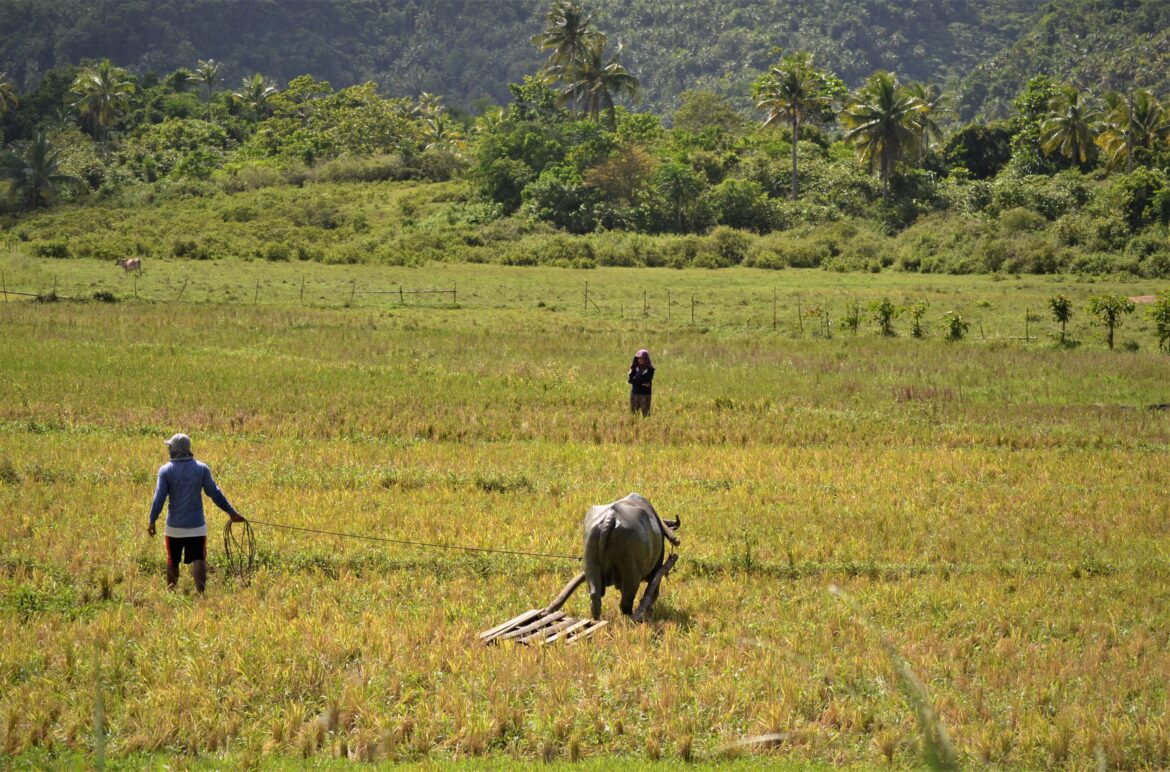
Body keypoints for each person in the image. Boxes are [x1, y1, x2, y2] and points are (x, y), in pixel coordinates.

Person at [147, 433, 244, 594]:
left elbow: (159, 498)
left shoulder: (165, 470)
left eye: (170, 446)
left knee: (173, 561)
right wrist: (231, 513)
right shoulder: (201, 468)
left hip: (174, 527)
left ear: (175, 449)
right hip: (197, 526)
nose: (169, 449)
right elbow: (214, 493)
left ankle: (171, 594)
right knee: (199, 559)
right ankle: (201, 594)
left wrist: (152, 520)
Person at [628, 349, 655, 416]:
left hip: (645, 395)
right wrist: (642, 383)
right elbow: (630, 380)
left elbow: (647, 379)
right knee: (633, 414)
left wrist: (636, 379)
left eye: (642, 358)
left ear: (645, 359)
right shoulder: (634, 368)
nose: (639, 360)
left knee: (646, 414)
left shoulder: (650, 369)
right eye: (638, 358)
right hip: (634, 394)